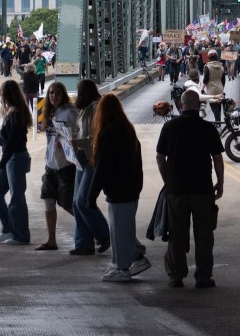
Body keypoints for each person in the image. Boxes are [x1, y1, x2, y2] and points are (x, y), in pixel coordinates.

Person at [156, 89, 224, 289]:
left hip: (176, 189)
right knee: (204, 235)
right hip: (202, 189)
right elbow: (218, 158)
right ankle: (203, 277)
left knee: (176, 234)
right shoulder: (208, 128)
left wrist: (167, 179)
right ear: (199, 106)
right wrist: (220, 182)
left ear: (181, 104)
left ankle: (176, 276)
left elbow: (160, 157)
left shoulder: (169, 127)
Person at [87, 94, 149, 282]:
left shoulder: (109, 132)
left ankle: (122, 268)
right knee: (123, 228)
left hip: (118, 190)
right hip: (130, 188)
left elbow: (103, 167)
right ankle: (137, 255)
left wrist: (91, 195)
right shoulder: (127, 130)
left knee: (118, 231)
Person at [68, 79, 111, 256]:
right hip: (81, 158)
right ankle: (83, 244)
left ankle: (104, 234)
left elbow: (96, 137)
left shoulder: (94, 108)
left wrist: (77, 141)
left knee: (82, 201)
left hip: (91, 159)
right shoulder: (84, 109)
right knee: (76, 203)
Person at [0, 80, 32, 245]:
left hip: (15, 158)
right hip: (11, 158)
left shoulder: (15, 114)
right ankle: (8, 228)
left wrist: (2, 161)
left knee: (17, 198)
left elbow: (13, 141)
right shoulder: (14, 111)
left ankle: (21, 235)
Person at [36, 83, 78, 251]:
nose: (53, 96)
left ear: (63, 95)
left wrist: (68, 142)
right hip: (50, 166)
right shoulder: (49, 113)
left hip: (66, 165)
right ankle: (51, 239)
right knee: (48, 201)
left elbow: (78, 134)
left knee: (67, 203)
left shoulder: (70, 113)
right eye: (51, 93)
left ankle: (93, 230)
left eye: (57, 93)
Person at [201, 49, 227, 122]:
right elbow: (223, 80)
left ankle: (218, 123)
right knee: (218, 107)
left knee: (214, 108)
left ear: (209, 57)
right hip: (220, 88)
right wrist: (222, 89)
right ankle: (218, 122)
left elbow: (205, 80)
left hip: (211, 90)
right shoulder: (221, 67)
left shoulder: (207, 67)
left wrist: (202, 89)